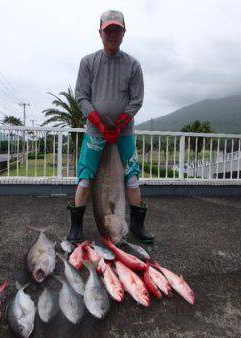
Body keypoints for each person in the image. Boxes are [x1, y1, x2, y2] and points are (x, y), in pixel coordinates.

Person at [67, 9, 154, 244]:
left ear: (124, 33)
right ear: (100, 33)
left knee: (132, 179)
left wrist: (118, 125)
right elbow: (81, 96)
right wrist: (99, 123)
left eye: (117, 30)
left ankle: (137, 225)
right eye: (109, 31)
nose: (113, 35)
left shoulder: (133, 65)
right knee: (85, 178)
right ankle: (75, 227)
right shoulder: (88, 62)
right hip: (96, 133)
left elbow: (136, 100)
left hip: (123, 133)